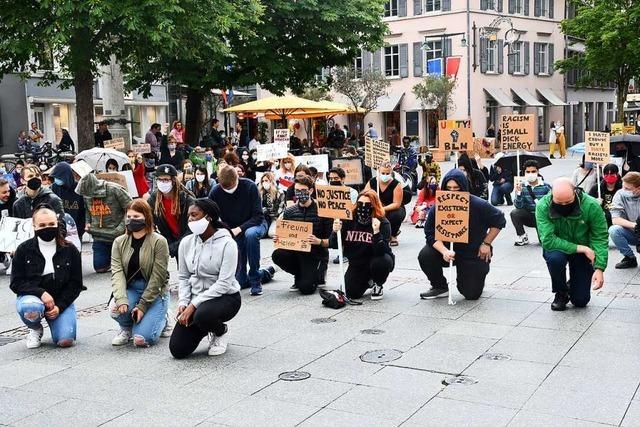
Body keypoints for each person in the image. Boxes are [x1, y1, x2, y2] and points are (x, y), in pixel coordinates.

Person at [170, 199, 242, 358]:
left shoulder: (227, 243)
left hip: (225, 297)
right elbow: (183, 276)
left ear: (208, 217)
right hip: (198, 300)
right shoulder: (186, 243)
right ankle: (204, 327)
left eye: (194, 215)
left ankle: (220, 331)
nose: (190, 219)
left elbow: (224, 283)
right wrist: (183, 302)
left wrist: (193, 305)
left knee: (202, 315)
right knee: (178, 350)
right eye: (188, 216)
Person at [418, 169, 506, 300]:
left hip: (473, 251)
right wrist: (444, 251)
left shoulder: (478, 204)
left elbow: (500, 220)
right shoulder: (438, 206)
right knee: (426, 255)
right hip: (448, 248)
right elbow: (430, 234)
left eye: (456, 188)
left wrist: (486, 243)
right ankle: (439, 286)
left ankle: (478, 274)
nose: (453, 192)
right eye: (449, 188)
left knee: (471, 294)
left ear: (464, 188)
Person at [10, 205, 83, 348]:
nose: (47, 228)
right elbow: (16, 283)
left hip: (60, 297)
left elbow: (76, 283)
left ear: (57, 223)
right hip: (33, 297)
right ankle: (35, 327)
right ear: (34, 226)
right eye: (42, 225)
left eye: (51, 224)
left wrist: (60, 306)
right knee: (31, 307)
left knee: (65, 341)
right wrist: (41, 293)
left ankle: (59, 320)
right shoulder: (23, 249)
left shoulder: (70, 249)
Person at [536, 178, 607, 310]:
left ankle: (572, 285)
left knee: (580, 301)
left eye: (568, 202)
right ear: (552, 195)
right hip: (558, 248)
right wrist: (580, 248)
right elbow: (548, 240)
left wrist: (599, 268)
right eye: (559, 202)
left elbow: (600, 237)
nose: (564, 205)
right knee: (555, 259)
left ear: (575, 192)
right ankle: (561, 292)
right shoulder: (542, 206)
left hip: (583, 250)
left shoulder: (591, 205)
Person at [110, 199, 170, 347]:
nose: (131, 220)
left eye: (136, 217)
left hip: (155, 290)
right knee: (115, 309)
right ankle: (126, 328)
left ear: (146, 217)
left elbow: (158, 277)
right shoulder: (119, 242)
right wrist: (121, 298)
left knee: (142, 339)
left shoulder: (159, 241)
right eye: (129, 217)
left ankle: (164, 317)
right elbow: (117, 272)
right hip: (132, 287)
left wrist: (143, 306)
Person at [209, 165, 274, 295]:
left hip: (255, 224)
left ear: (238, 178)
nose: (228, 190)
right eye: (225, 188)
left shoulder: (249, 186)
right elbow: (211, 215)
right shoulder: (215, 191)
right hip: (232, 229)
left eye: (231, 187)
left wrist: (239, 229)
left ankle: (256, 280)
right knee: (241, 280)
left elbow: (258, 216)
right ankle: (264, 273)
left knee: (250, 235)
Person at [271, 176, 332, 295]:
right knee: (278, 254)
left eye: (303, 190)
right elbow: (287, 236)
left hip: (315, 255)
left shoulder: (322, 210)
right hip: (297, 253)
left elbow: (331, 240)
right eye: (297, 191)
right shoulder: (289, 212)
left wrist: (318, 241)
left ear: (310, 191)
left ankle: (318, 273)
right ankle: (299, 274)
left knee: (306, 288)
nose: (299, 193)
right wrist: (280, 239)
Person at [329, 190, 394, 300]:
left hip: (376, 259)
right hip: (357, 263)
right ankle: (368, 281)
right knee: (351, 293)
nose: (363, 207)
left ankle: (378, 283)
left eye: (368, 205)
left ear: (374, 206)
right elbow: (333, 244)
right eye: (360, 204)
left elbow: (381, 251)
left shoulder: (382, 222)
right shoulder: (348, 221)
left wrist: (376, 232)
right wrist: (335, 232)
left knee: (381, 261)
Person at [76, 172, 132, 273]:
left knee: (126, 267)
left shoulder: (114, 189)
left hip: (118, 234)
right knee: (100, 268)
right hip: (99, 236)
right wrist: (88, 222)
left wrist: (121, 227)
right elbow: (88, 210)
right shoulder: (86, 194)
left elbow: (131, 208)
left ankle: (118, 259)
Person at [147, 164, 194, 260]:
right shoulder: (153, 199)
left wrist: (177, 245)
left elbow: (193, 226)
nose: (162, 182)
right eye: (159, 179)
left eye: (165, 180)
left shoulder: (186, 199)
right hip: (169, 240)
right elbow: (149, 222)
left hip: (189, 241)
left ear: (173, 181)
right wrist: (166, 243)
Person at [511, 160, 552, 246]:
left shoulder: (546, 187)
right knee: (515, 213)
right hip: (529, 216)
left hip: (542, 218)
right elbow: (518, 206)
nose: (530, 174)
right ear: (524, 172)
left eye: (533, 171)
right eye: (528, 172)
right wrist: (518, 193)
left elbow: (552, 205)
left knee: (544, 242)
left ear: (538, 171)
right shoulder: (522, 186)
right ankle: (522, 236)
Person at [364, 162, 405, 246]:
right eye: (383, 173)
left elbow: (396, 203)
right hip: (375, 206)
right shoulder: (372, 182)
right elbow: (365, 195)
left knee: (396, 215)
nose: (385, 175)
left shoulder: (396, 184)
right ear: (378, 172)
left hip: (392, 208)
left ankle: (393, 235)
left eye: (387, 173)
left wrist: (383, 209)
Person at [608, 171, 640, 269]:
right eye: (623, 186)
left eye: (627, 188)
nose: (623, 190)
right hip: (631, 231)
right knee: (613, 230)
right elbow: (615, 219)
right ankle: (629, 258)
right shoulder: (619, 194)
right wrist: (636, 226)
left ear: (638, 188)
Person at [49, 162, 86, 239]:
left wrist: (79, 231)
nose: (56, 180)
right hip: (57, 230)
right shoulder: (54, 188)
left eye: (59, 177)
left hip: (75, 230)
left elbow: (83, 212)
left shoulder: (79, 189)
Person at [589, 163, 621, 227]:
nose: (609, 176)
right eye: (606, 174)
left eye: (612, 174)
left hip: (618, 218)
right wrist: (595, 202)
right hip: (601, 219)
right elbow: (588, 202)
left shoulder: (622, 188)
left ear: (617, 175)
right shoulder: (597, 188)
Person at [258, 172, 286, 238]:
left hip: (276, 216)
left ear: (271, 181)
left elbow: (280, 209)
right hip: (264, 217)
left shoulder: (279, 192)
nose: (264, 182)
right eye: (263, 181)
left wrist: (266, 210)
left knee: (272, 234)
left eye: (266, 180)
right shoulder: (260, 192)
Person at [0, 179, 17, 269]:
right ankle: (2, 257)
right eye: (4, 192)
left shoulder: (15, 202)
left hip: (12, 230)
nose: (8, 194)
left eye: (8, 191)